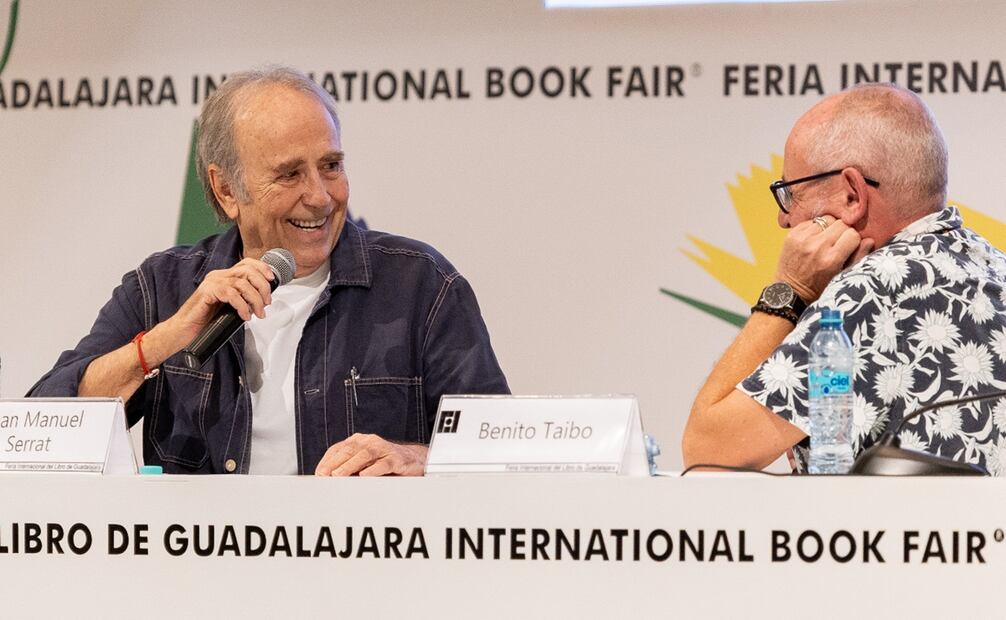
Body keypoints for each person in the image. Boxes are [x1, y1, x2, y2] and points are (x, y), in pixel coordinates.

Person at [29, 67, 509, 476]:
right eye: (289, 174)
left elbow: (500, 447)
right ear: (226, 190)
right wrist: (163, 341)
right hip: (203, 556)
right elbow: (44, 429)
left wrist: (417, 458)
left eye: (331, 165)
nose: (320, 196)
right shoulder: (161, 288)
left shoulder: (421, 286)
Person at [682, 82, 1006, 475]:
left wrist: (791, 289)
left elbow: (707, 450)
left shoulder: (866, 293)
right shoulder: (995, 267)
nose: (783, 218)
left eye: (790, 193)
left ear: (852, 195)